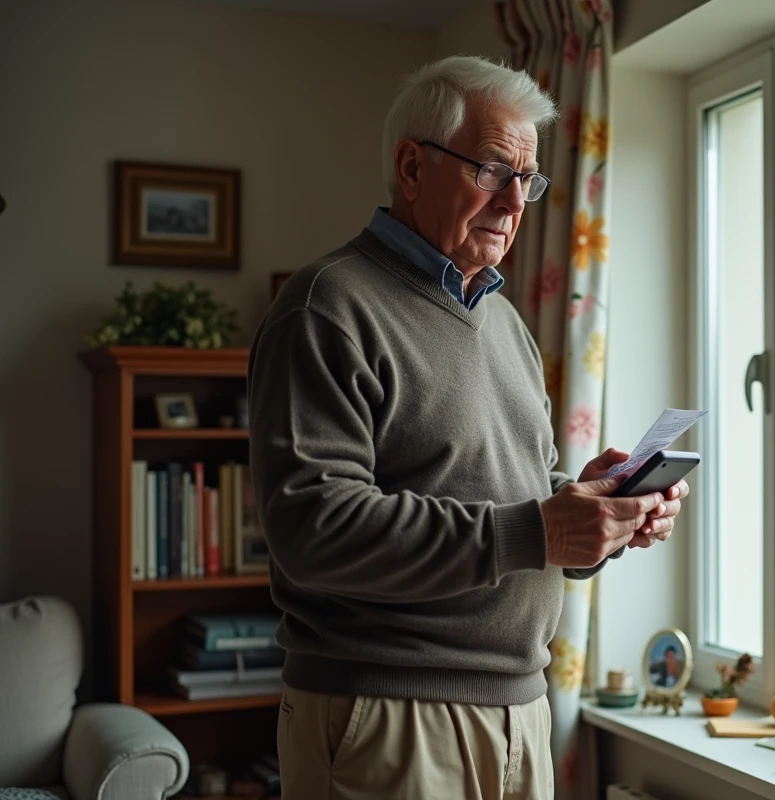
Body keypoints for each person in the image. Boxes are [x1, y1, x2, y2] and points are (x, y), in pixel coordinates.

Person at [247, 55, 690, 800]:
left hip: (521, 711)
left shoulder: (505, 323)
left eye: (530, 179)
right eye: (492, 170)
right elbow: (314, 530)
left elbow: (509, 499)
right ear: (412, 168)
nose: (517, 202)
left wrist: (592, 511)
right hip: (389, 717)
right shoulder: (327, 305)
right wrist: (539, 529)